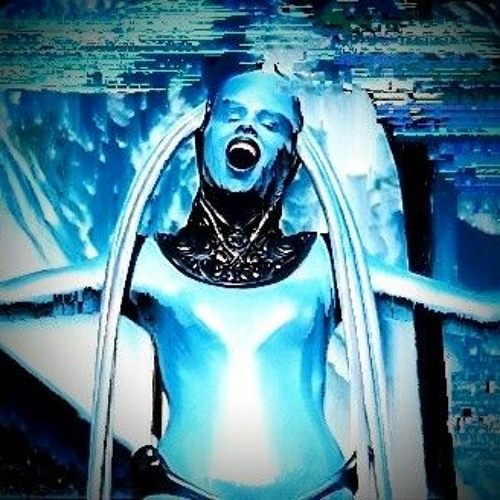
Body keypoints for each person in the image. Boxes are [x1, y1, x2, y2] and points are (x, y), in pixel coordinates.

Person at [0, 68, 498, 500]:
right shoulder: (147, 262)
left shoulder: (330, 262)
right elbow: (35, 298)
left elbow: (450, 306)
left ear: (291, 158)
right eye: (233, 114)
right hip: (181, 491)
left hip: (322, 492)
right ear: (203, 136)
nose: (247, 126)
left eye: (270, 122)